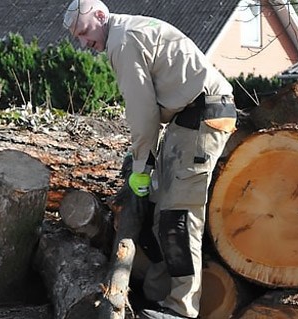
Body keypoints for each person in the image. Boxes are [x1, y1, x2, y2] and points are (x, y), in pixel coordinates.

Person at [63, 1, 238, 318]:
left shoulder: (122, 41)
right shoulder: (129, 30)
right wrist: (139, 158)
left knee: (179, 217)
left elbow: (143, 113)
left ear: (101, 16)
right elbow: (152, 112)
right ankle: (156, 298)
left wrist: (141, 164)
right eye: (78, 37)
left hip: (202, 115)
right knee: (159, 210)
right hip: (186, 118)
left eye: (85, 32)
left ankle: (181, 310)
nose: (84, 43)